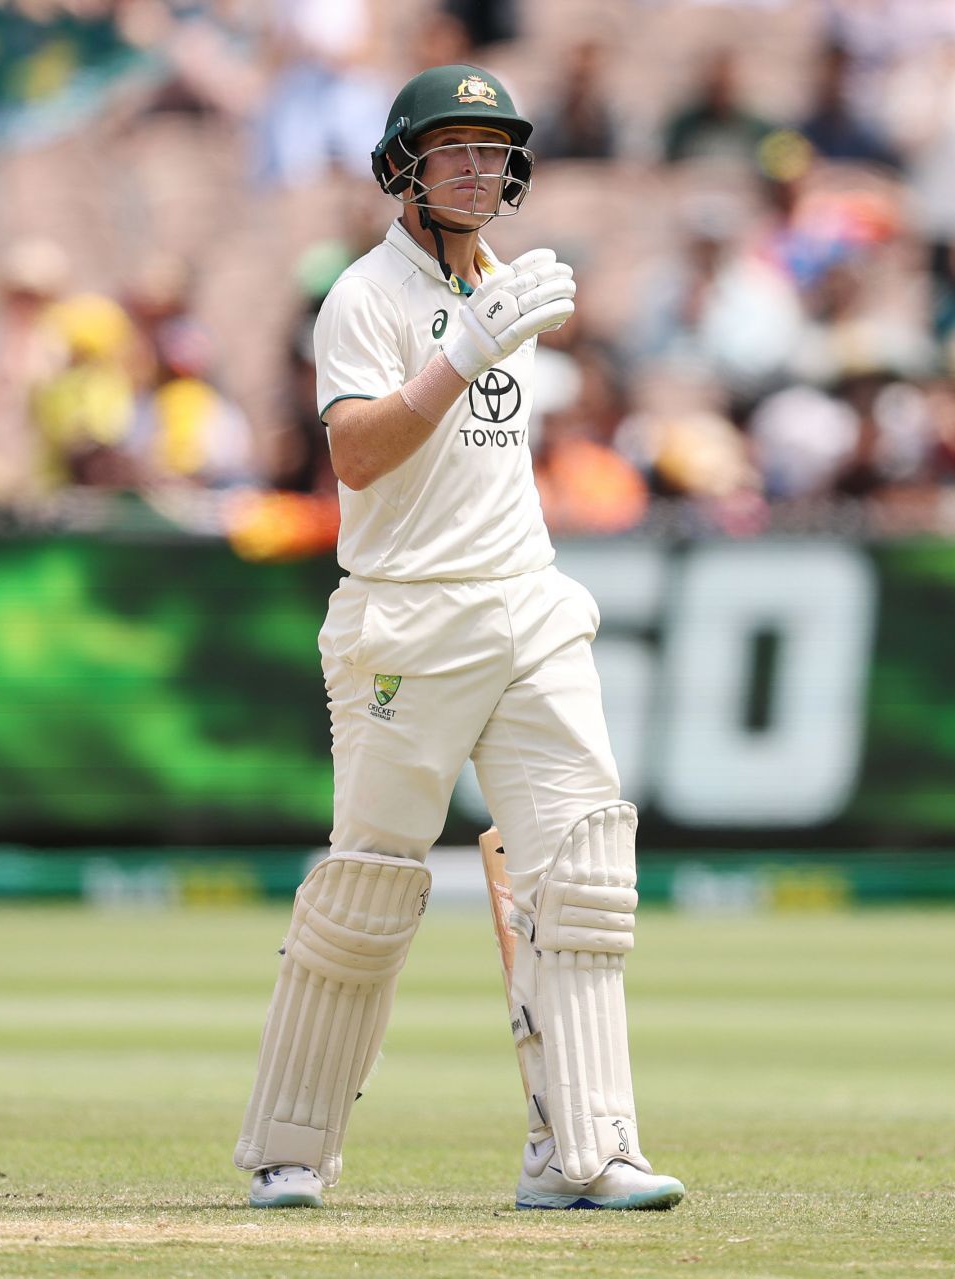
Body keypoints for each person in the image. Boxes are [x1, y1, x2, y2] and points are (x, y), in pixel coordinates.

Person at [233, 64, 685, 1214]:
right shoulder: (362, 299)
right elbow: (357, 458)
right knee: (372, 886)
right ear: (405, 167)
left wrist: (484, 332)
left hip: (526, 601)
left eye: (494, 150)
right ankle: (292, 1147)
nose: (479, 168)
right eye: (454, 149)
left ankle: (585, 1148)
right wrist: (461, 353)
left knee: (579, 869)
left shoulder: (507, 289)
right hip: (405, 614)